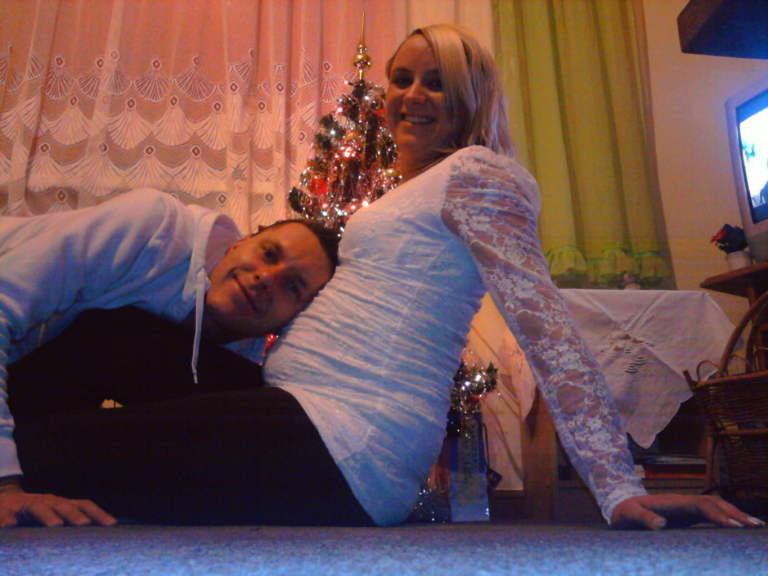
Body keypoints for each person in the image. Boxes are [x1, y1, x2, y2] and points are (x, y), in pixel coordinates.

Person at [263, 24, 763, 530]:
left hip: (346, 439)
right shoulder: (414, 190)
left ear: (471, 98)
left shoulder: (477, 174)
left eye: (436, 83)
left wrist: (618, 486)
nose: (412, 96)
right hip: (310, 415)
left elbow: (549, 332)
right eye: (402, 79)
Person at [0, 188, 339, 527]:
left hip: (25, 398)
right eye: (268, 253)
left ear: (295, 319)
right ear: (241, 242)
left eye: (292, 286)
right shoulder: (154, 227)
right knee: (114, 329)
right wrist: (6, 486)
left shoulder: (240, 363)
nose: (266, 277)